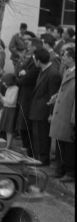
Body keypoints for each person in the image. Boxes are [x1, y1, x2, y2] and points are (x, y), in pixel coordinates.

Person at [28, 47, 62, 166]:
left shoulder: (53, 73)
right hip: (37, 109)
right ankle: (38, 157)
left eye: (34, 59)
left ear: (38, 61)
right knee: (37, 136)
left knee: (42, 136)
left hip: (43, 110)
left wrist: (51, 113)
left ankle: (43, 159)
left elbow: (53, 96)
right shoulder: (43, 71)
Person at [49, 47, 76, 181]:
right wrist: (56, 96)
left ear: (72, 58)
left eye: (65, 56)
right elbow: (63, 89)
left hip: (69, 114)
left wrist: (73, 119)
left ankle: (70, 172)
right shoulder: (67, 71)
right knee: (60, 142)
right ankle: (59, 169)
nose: (63, 58)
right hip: (61, 111)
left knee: (69, 146)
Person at [0, 73, 19, 148]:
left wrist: (1, 97)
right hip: (6, 109)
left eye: (5, 82)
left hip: (11, 110)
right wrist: (0, 97)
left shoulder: (15, 89)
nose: (4, 84)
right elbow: (5, 101)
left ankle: (8, 145)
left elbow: (11, 101)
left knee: (9, 129)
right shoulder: (8, 88)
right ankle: (6, 143)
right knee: (5, 128)